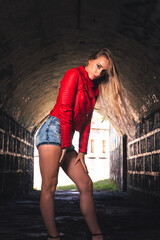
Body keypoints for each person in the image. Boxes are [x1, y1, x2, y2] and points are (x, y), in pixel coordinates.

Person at [35, 48, 137, 240]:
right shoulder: (73, 74)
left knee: (86, 184)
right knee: (50, 185)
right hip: (52, 130)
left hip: (65, 137)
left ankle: (97, 235)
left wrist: (82, 150)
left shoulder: (94, 89)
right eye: (98, 66)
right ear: (90, 60)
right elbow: (65, 110)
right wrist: (66, 144)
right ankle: (53, 237)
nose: (99, 73)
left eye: (103, 71)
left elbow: (87, 121)